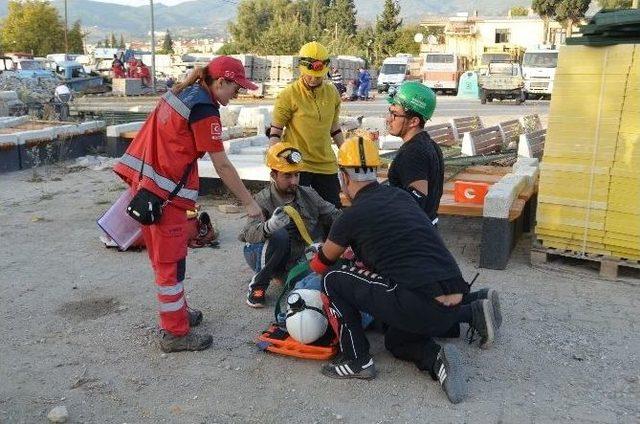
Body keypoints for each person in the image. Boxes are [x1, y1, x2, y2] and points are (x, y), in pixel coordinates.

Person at [308, 136, 502, 404]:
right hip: (452, 298)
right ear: (376, 171)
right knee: (397, 341)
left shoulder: (351, 216)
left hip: (418, 303)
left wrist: (320, 254)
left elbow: (322, 263)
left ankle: (356, 361)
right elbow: (400, 244)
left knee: (332, 280)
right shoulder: (399, 196)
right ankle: (443, 353)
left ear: (343, 176)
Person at [113, 56, 262, 353]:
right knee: (169, 264)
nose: (238, 94)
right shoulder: (204, 108)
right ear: (220, 82)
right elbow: (222, 165)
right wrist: (249, 203)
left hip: (152, 187)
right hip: (164, 195)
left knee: (170, 259)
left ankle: (177, 313)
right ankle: (174, 333)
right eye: (236, 88)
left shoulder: (185, 93)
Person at [239, 142, 341, 308]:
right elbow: (248, 234)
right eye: (287, 176)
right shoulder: (262, 199)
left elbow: (335, 215)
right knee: (280, 234)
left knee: (310, 286)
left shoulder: (308, 194)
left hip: (293, 256)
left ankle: (281, 272)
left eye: (296, 175)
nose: (294, 181)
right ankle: (258, 285)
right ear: (274, 175)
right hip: (259, 252)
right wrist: (268, 227)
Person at [269, 41, 344, 208]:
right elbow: (276, 131)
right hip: (296, 164)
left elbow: (335, 128)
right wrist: (275, 163)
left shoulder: (332, 93)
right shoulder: (288, 95)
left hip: (326, 163)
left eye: (318, 75)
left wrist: (347, 154)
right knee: (296, 212)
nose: (313, 78)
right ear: (301, 69)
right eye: (309, 74)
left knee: (333, 210)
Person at [386, 81, 443, 226]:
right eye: (389, 112)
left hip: (413, 234)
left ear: (414, 121)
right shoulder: (428, 143)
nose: (388, 119)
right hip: (427, 227)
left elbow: (417, 199)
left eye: (394, 115)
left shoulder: (413, 152)